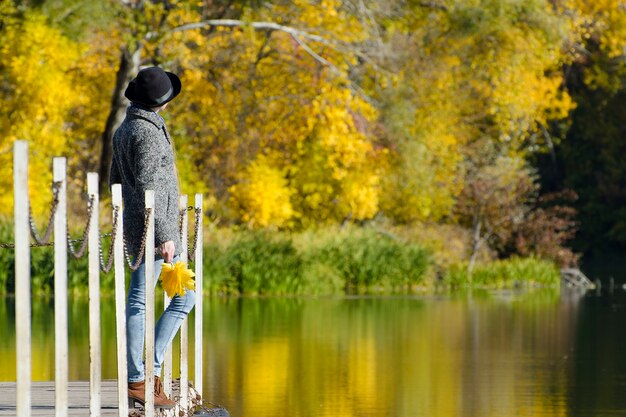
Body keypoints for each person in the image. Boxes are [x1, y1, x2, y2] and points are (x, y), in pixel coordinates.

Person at [109, 66, 196, 409]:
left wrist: (130, 218)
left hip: (142, 224)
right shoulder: (145, 132)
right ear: (159, 102)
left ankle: (144, 374)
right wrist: (161, 233)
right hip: (155, 230)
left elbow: (115, 182)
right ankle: (142, 376)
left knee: (170, 297)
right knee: (151, 300)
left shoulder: (125, 128)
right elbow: (147, 186)